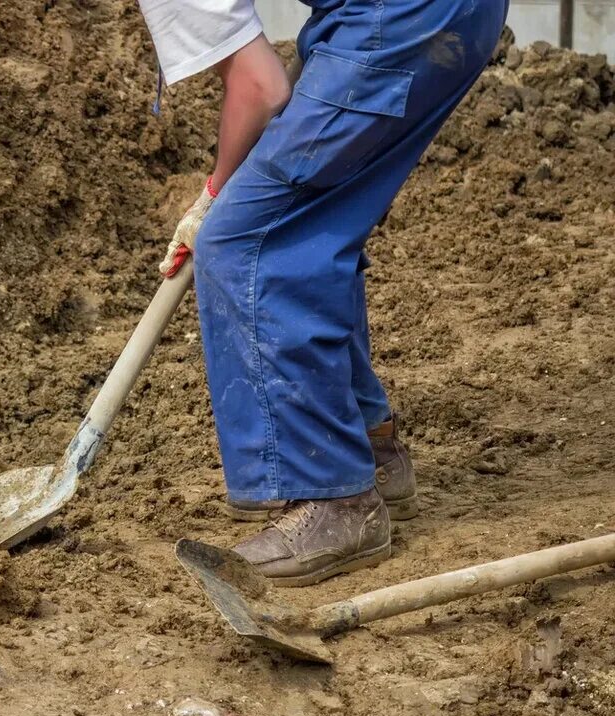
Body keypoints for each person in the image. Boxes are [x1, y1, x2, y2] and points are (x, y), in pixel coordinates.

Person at [139, 0, 508, 585]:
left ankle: (334, 500)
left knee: (248, 241)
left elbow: (261, 88)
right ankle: (371, 448)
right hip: (442, 13)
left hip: (400, 19)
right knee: (312, 215)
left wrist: (214, 197)